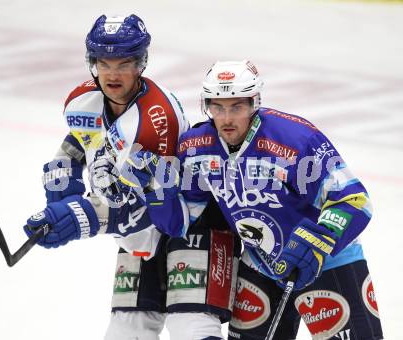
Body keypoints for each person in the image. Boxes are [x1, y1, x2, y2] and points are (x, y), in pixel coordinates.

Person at [121, 60, 384, 339]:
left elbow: (355, 200)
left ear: (254, 103)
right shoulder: (197, 147)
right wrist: (157, 192)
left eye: (237, 107)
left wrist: (320, 240)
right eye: (218, 107)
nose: (227, 118)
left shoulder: (295, 139)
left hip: (327, 261)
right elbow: (181, 223)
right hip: (261, 264)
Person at [23, 14, 239, 340]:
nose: (112, 74)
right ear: (91, 62)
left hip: (190, 221)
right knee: (126, 329)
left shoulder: (154, 122)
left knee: (191, 327)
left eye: (124, 64)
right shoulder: (84, 100)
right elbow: (80, 142)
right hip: (141, 232)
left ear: (141, 64)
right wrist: (61, 182)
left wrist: (79, 217)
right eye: (103, 63)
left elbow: (150, 211)